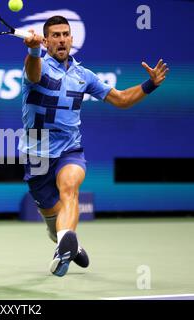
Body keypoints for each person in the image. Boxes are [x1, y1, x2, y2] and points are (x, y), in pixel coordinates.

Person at [18, 16, 168, 277]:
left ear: (72, 40)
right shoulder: (38, 65)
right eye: (55, 35)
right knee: (54, 225)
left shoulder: (83, 75)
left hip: (69, 148)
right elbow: (33, 72)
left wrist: (150, 85)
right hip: (37, 152)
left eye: (66, 34)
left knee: (71, 187)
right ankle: (68, 245)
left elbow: (120, 99)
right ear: (47, 40)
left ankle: (63, 250)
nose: (62, 39)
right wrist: (33, 50)